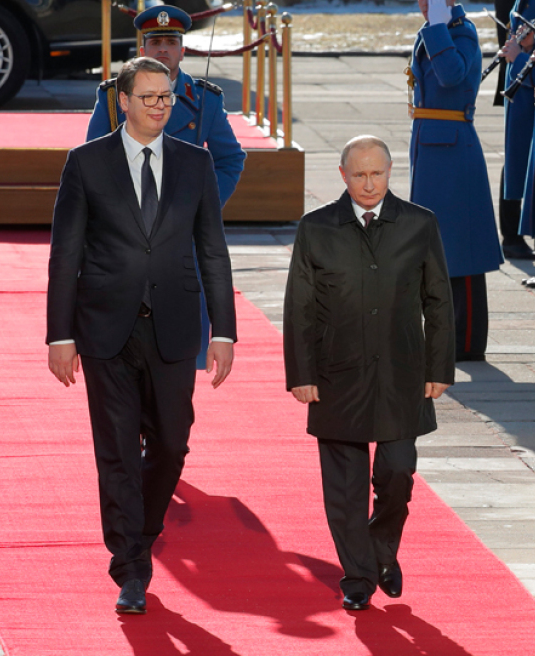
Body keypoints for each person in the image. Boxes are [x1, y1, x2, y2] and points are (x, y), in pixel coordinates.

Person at [46, 56, 237, 615]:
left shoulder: (195, 164)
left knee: (173, 444)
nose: (159, 105)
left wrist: (223, 330)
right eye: (148, 96)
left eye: (166, 96)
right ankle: (130, 564)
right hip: (105, 327)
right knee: (118, 452)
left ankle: (144, 532)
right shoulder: (86, 163)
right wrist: (60, 335)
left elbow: (212, 252)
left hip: (175, 326)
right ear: (122, 101)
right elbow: (66, 255)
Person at [283, 135, 456, 611]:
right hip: (336, 373)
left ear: (389, 172)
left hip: (403, 373)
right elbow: (299, 306)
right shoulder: (316, 228)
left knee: (398, 472)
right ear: (342, 175)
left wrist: (440, 366)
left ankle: (381, 549)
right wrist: (302, 372)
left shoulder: (420, 223)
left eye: (376, 173)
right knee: (344, 487)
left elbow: (438, 299)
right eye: (358, 174)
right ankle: (357, 575)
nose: (368, 183)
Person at [86, 5, 246, 371]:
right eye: (155, 42)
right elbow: (91, 164)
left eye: (170, 42)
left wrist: (199, 205)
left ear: (182, 50)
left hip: (179, 240)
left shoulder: (204, 100)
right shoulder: (113, 98)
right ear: (142, 49)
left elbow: (230, 159)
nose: (162, 50)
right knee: (121, 346)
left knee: (178, 352)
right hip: (126, 234)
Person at [408, 0, 503, 361]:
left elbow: (451, 76)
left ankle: (466, 341)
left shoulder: (460, 32)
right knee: (438, 247)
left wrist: (436, 27)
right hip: (433, 146)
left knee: (460, 249)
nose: (422, 5)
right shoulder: (442, 29)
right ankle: (444, 333)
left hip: (450, 148)